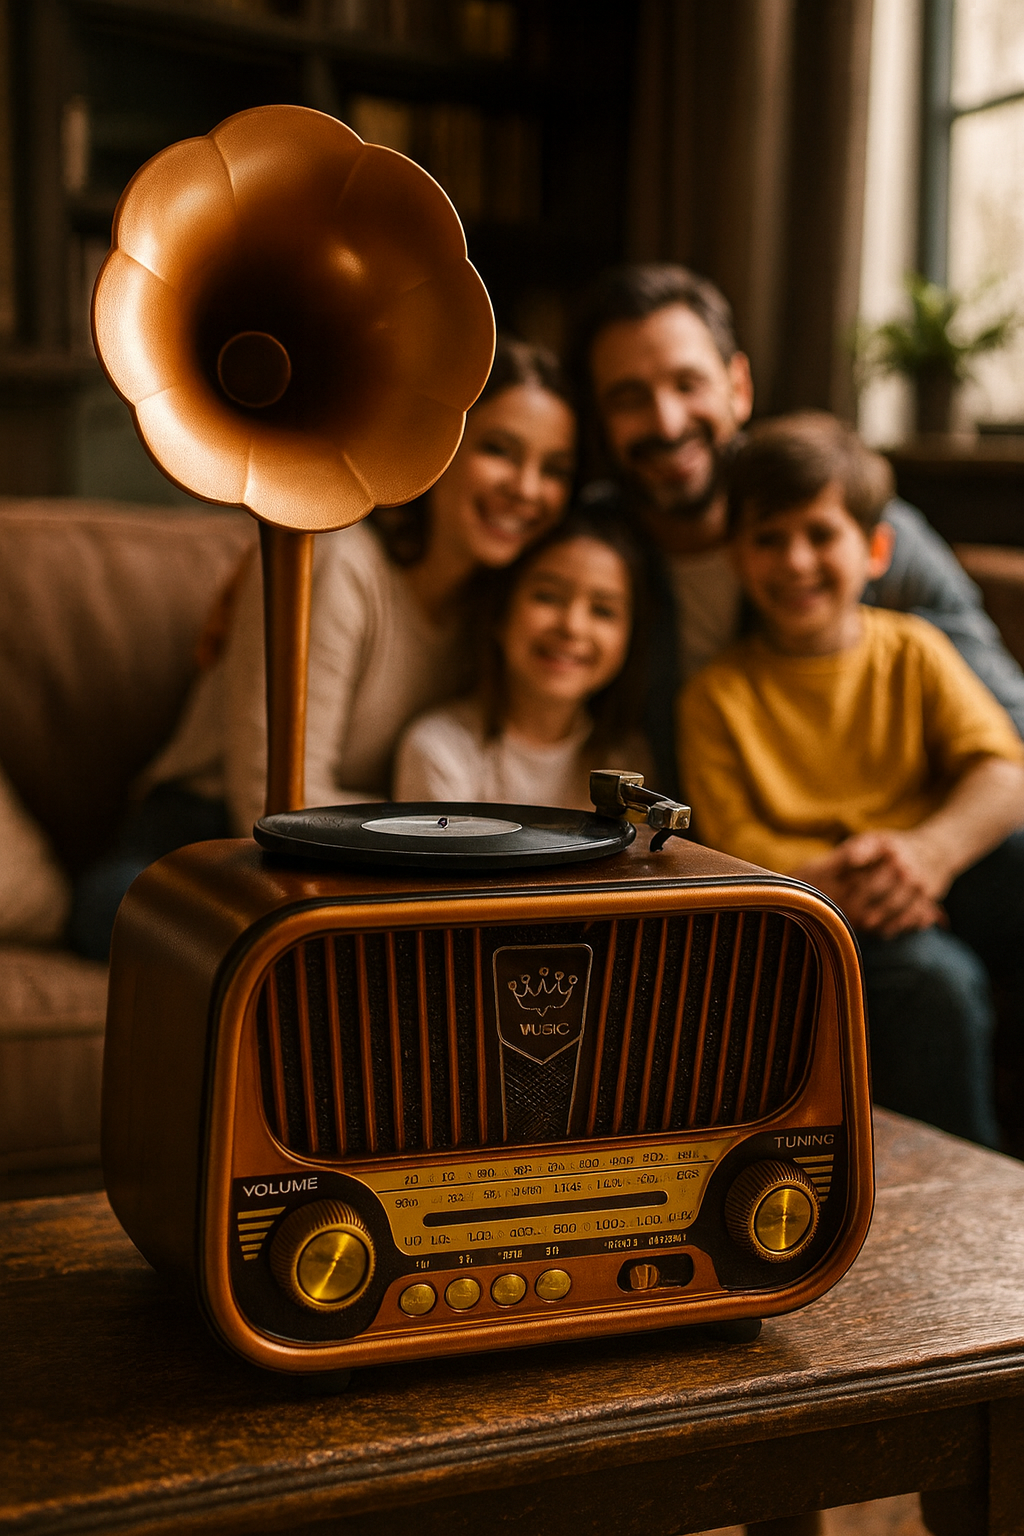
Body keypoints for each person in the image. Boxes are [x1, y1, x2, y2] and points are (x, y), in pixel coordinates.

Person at [68, 337, 576, 959]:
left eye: (555, 469)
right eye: (500, 450)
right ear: (439, 447)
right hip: (197, 847)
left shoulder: (504, 611)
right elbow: (271, 806)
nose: (527, 488)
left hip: (364, 861)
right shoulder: (334, 558)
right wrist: (466, 832)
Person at [679, 412, 1024, 1146]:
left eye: (820, 534)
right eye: (768, 539)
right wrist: (862, 879)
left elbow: (1003, 771)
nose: (796, 561)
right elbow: (736, 844)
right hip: (818, 907)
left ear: (875, 549)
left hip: (935, 870)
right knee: (935, 984)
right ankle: (976, 1181)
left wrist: (928, 854)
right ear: (736, 556)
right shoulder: (716, 696)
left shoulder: (915, 650)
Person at [569, 263, 1024, 793]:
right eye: (628, 398)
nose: (667, 423)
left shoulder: (860, 529)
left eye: (688, 384)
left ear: (739, 387)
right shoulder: (583, 550)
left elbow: (1007, 728)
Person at [393, 511, 650, 808]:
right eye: (548, 596)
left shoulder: (627, 761)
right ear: (500, 612)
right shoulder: (441, 750)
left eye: (603, 611)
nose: (573, 626)